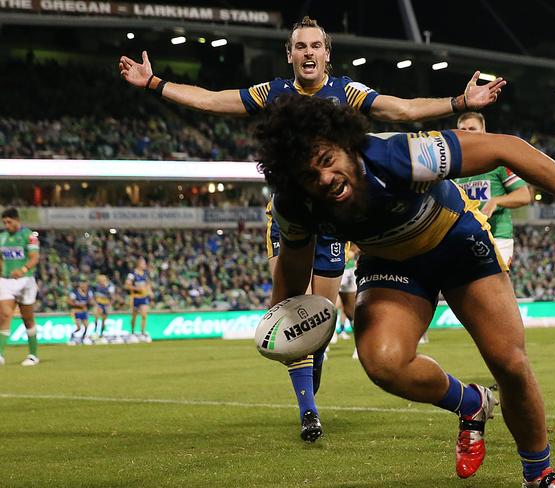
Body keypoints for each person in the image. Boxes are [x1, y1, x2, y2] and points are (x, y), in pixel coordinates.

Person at [119, 16, 505, 442]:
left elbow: (401, 109)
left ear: (326, 54)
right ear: (290, 55)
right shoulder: (274, 93)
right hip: (294, 216)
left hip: (338, 218)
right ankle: (309, 412)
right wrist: (155, 84)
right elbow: (212, 100)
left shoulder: (347, 92)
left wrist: (458, 101)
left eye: (314, 46)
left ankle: (313, 363)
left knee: (317, 316)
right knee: (294, 311)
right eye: (299, 46)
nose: (307, 52)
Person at [254, 95, 555, 486]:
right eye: (307, 175)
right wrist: (280, 321)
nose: (324, 179)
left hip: (456, 240)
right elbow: (295, 267)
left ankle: (539, 476)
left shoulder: (399, 156)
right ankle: (471, 403)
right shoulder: (294, 205)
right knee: (383, 361)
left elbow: (507, 148)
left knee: (509, 363)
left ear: (347, 143)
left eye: (326, 160)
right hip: (390, 265)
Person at [454, 112, 531, 266]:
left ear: (483, 131)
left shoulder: (497, 161)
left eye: (472, 128)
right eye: (463, 130)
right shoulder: (454, 167)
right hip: (465, 237)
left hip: (497, 237)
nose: (467, 133)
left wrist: (496, 201)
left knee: (495, 287)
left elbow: (524, 195)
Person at [0, 207, 40, 366]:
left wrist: (23, 269)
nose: (6, 225)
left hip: (26, 280)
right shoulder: (2, 237)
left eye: (9, 222)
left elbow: (34, 257)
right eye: (4, 222)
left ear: (17, 220)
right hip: (6, 281)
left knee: (27, 319)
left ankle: (33, 355)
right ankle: (1, 355)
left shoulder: (28, 236)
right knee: (4, 316)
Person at [125, 256, 153, 343]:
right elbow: (127, 285)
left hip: (143, 297)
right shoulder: (132, 274)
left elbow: (148, 284)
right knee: (134, 316)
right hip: (135, 297)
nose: (145, 265)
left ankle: (142, 332)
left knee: (144, 315)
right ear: (139, 264)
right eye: (143, 263)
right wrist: (137, 288)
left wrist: (150, 291)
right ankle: (132, 332)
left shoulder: (145, 274)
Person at [67, 278, 92, 345]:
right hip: (76, 311)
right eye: (83, 286)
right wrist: (78, 304)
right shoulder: (75, 292)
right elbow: (69, 301)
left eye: (86, 286)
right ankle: (72, 336)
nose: (85, 287)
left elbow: (91, 301)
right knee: (78, 328)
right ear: (81, 286)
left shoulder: (89, 292)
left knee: (86, 326)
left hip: (84, 311)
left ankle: (82, 339)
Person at [93, 274, 114, 343]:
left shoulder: (110, 286)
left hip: (106, 305)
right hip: (99, 304)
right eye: (100, 280)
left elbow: (112, 297)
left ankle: (101, 334)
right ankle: (95, 333)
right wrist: (95, 303)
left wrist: (110, 305)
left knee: (103, 321)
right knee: (96, 317)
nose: (101, 281)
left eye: (103, 280)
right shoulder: (96, 286)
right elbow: (93, 296)